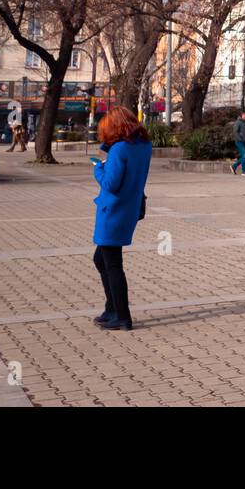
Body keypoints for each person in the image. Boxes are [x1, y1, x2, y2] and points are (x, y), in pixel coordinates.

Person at [89, 108, 153, 331]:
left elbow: (110, 184)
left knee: (113, 264)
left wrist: (98, 169)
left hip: (113, 211)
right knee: (101, 259)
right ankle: (111, 308)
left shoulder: (119, 149)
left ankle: (122, 315)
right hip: (129, 208)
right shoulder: (143, 146)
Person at [231, 110, 245, 176]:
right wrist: (240, 139)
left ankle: (234, 166)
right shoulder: (238, 122)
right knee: (244, 155)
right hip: (240, 142)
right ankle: (244, 171)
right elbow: (235, 132)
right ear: (242, 115)